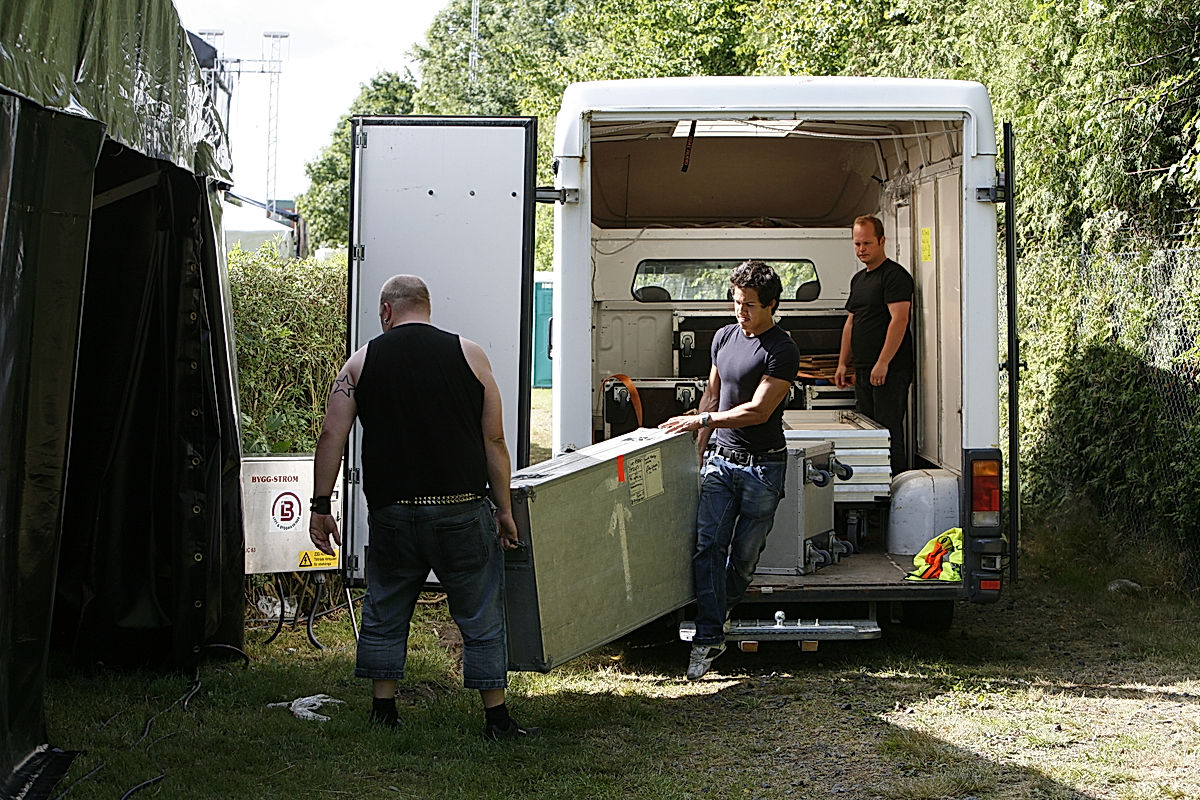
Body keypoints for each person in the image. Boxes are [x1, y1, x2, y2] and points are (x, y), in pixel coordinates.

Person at [308, 274, 538, 740]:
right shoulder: (471, 356)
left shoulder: (360, 363)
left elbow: (332, 435)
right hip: (460, 509)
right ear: (426, 307)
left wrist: (320, 505)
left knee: (385, 608)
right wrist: (504, 508)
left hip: (393, 514)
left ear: (387, 312)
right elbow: (493, 438)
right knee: (479, 611)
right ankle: (496, 719)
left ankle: (384, 711)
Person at [660, 260, 800, 680]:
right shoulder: (723, 337)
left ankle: (718, 611)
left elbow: (758, 411)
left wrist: (701, 422)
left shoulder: (782, 349)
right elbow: (712, 395)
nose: (741, 313)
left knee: (742, 558)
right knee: (707, 546)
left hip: (763, 468)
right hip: (721, 462)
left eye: (750, 306)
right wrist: (699, 451)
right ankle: (707, 638)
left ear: (772, 305)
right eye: (736, 303)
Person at [834, 214, 914, 471]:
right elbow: (850, 323)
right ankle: (871, 482)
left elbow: (899, 320)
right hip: (863, 369)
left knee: (888, 430)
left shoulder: (894, 276)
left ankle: (896, 484)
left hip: (890, 369)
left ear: (882, 241)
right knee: (866, 429)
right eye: (857, 244)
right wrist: (842, 364)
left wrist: (883, 363)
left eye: (867, 243)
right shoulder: (858, 280)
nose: (861, 250)